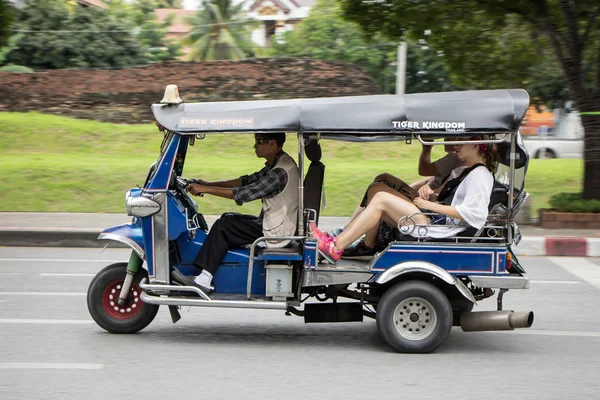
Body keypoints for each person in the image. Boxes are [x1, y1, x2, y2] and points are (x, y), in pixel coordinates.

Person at [311, 139, 497, 264]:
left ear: (477, 145)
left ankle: (336, 246)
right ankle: (356, 243)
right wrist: (430, 196)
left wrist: (428, 205)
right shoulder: (466, 171)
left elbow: (474, 214)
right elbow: (449, 200)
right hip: (434, 218)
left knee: (381, 199)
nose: (455, 145)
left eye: (461, 142)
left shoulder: (480, 175)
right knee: (380, 191)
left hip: (438, 227)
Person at [172, 132, 299, 292]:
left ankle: (203, 280)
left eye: (259, 142)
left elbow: (244, 193)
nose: (255, 146)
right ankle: (208, 272)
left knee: (223, 226)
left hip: (277, 231)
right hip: (275, 223)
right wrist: (208, 184)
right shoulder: (277, 163)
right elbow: (245, 181)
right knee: (229, 217)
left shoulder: (279, 173)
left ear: (273, 144)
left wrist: (206, 189)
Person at [330, 141, 460, 237]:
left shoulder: (456, 158)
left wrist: (426, 148)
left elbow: (426, 174)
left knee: (378, 191)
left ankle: (347, 237)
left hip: (430, 212)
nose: (445, 138)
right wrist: (405, 191)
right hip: (427, 204)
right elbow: (429, 181)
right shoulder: (458, 164)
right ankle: (349, 231)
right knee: (383, 178)